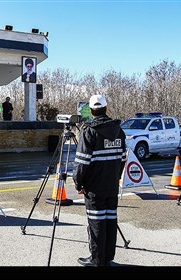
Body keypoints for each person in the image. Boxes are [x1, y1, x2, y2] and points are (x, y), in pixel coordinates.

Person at [73, 94, 127, 267]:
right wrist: (116, 177)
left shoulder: (89, 131)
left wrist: (78, 183)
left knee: (96, 222)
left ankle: (97, 260)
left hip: (94, 188)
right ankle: (107, 257)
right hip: (111, 186)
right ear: (105, 109)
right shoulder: (119, 130)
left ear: (91, 111)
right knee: (110, 221)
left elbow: (81, 162)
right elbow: (123, 158)